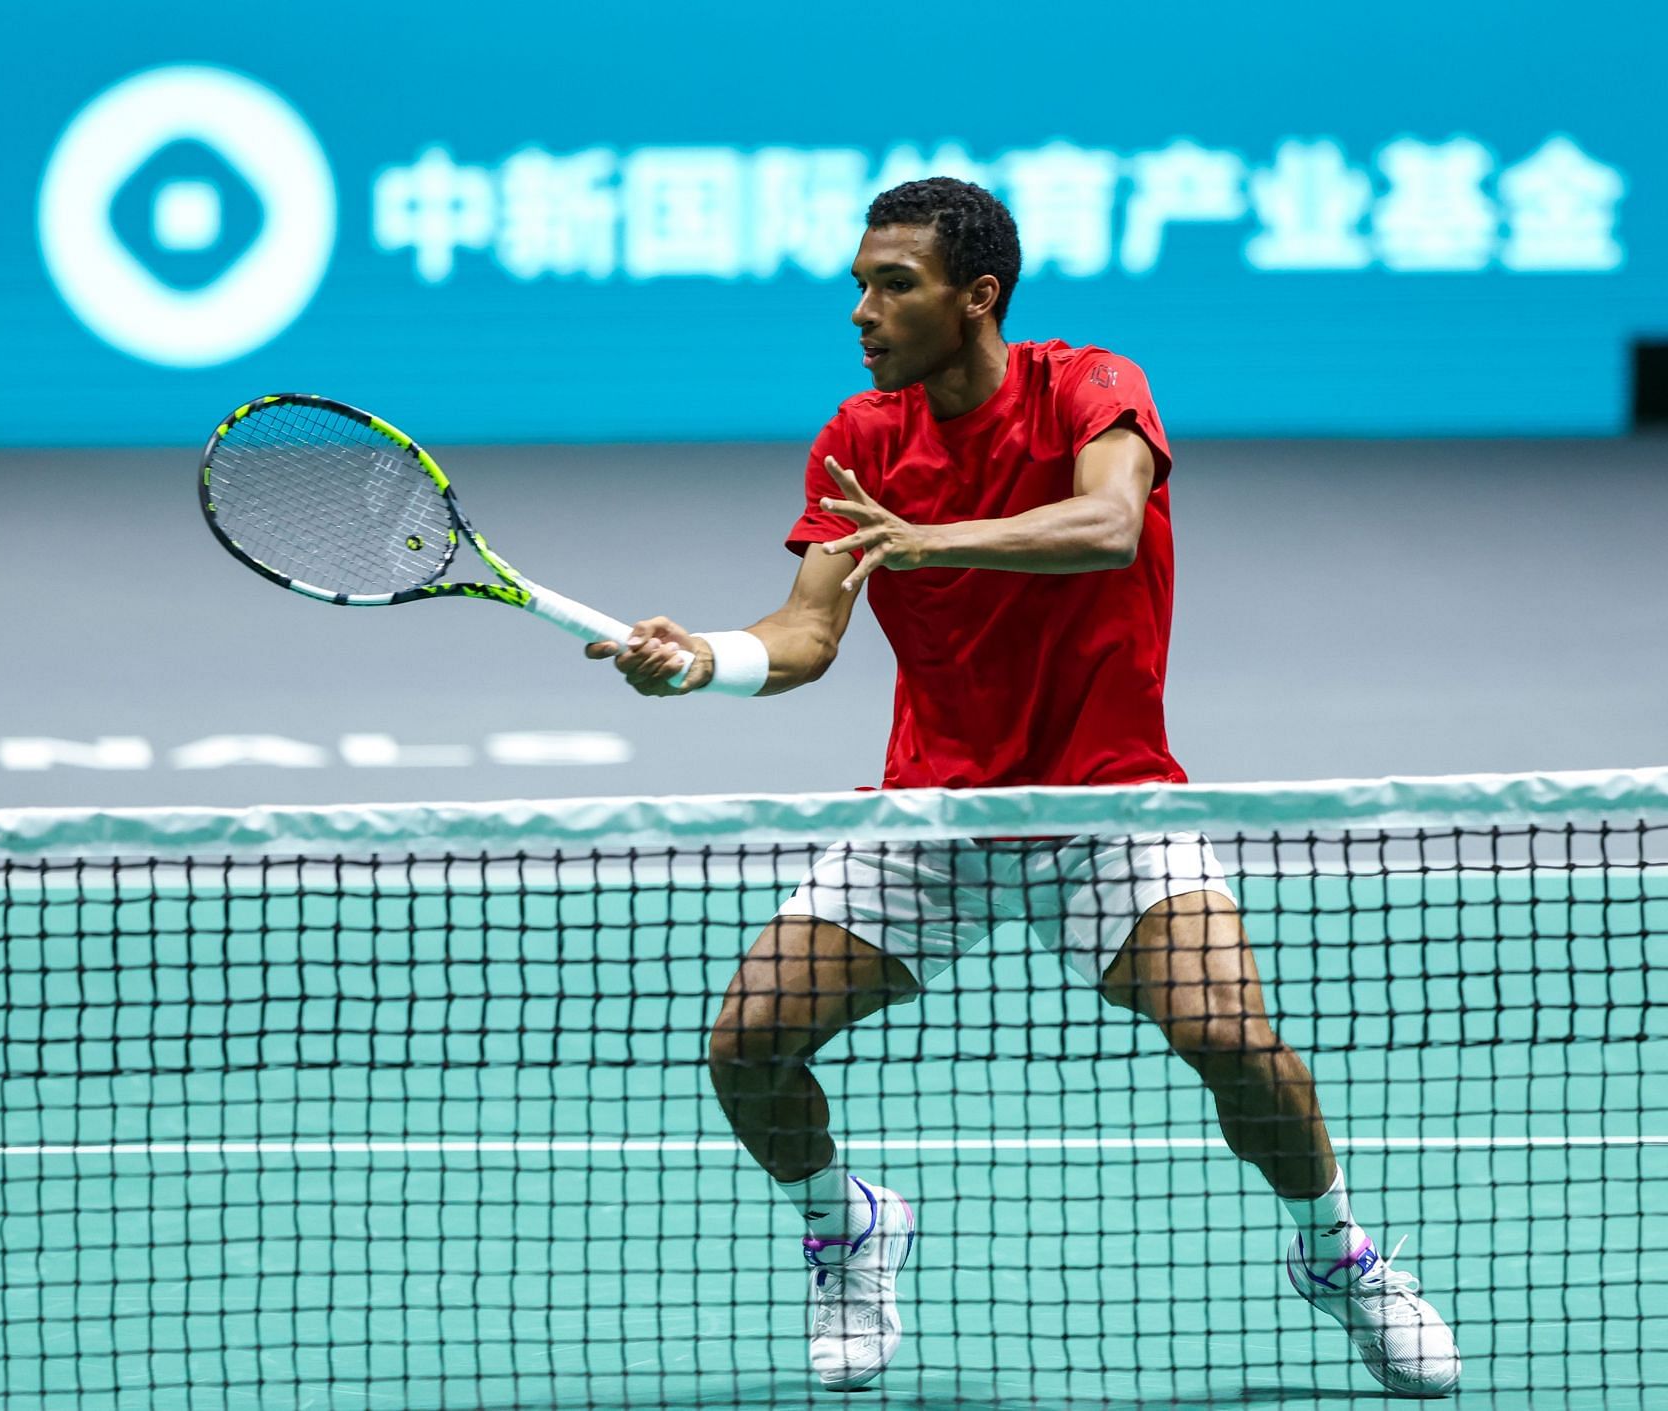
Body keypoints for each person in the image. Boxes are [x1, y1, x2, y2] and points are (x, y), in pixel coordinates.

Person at [587, 177, 1459, 1398]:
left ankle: (1339, 1255)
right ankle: (849, 1226)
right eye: (858, 285)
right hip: (936, 816)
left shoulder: (1090, 387)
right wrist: (703, 666)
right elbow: (807, 633)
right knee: (746, 1045)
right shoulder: (860, 437)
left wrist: (930, 540)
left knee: (1231, 1037)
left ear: (976, 296)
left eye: (894, 285)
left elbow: (1108, 523)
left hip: (1108, 808)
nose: (863, 312)